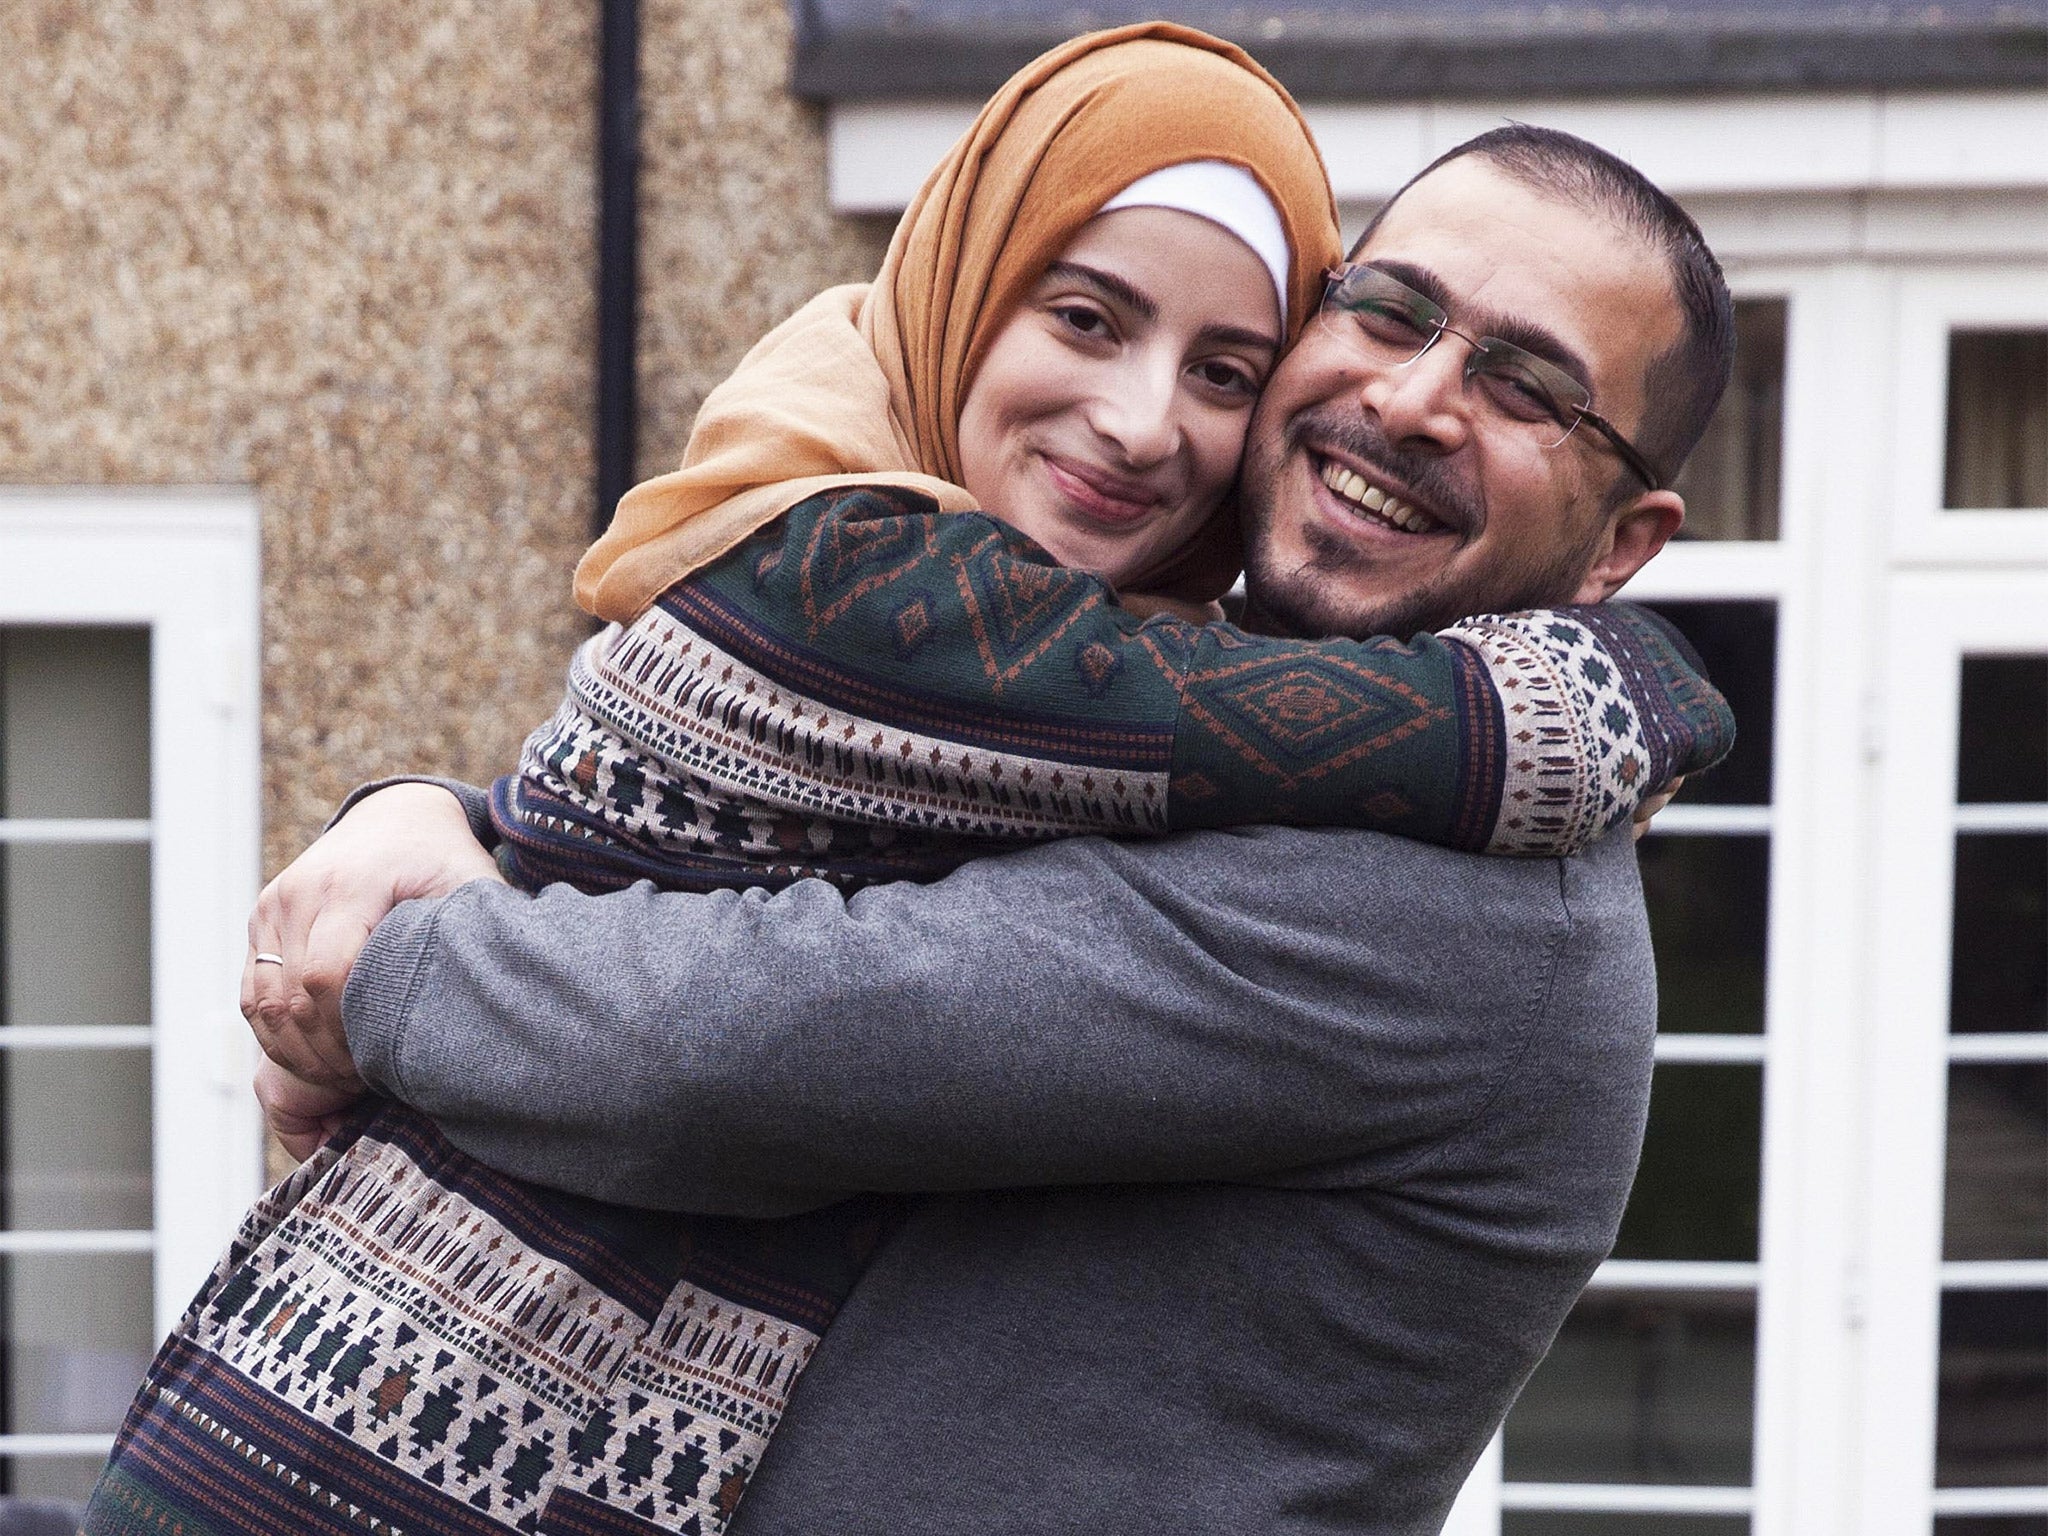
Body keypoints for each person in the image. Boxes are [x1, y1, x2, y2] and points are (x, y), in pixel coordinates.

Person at [87, 29, 1727, 1536]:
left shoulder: (1466, 922)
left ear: (1626, 547)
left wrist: (381, 968)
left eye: (1526, 387)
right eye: (1387, 309)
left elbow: (729, 1046)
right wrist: (432, 814)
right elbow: (744, 834)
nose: (1413, 396)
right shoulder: (1112, 710)